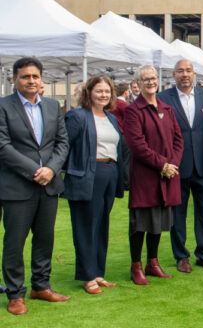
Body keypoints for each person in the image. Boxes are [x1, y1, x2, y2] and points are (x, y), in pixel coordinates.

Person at [0, 57, 70, 315]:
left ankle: (41, 286)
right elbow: (2, 146)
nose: (31, 80)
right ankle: (15, 293)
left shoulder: (53, 106)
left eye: (35, 76)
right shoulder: (3, 107)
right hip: (17, 187)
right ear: (14, 80)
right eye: (25, 76)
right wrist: (34, 171)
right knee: (15, 242)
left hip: (48, 185)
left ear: (41, 79)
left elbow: (62, 143)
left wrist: (51, 169)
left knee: (45, 239)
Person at [63, 75, 129, 294]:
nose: (104, 95)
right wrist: (73, 171)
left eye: (107, 91)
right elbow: (64, 147)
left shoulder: (110, 118)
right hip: (87, 176)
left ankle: (98, 272)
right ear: (89, 92)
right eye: (99, 91)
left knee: (101, 226)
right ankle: (87, 276)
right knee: (86, 227)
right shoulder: (77, 116)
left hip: (109, 174)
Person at [123, 65, 184, 285]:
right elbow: (137, 145)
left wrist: (173, 165)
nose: (151, 82)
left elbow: (178, 139)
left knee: (159, 221)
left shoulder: (167, 108)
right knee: (141, 223)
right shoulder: (133, 110)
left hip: (167, 175)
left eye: (154, 78)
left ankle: (153, 262)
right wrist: (162, 165)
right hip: (146, 176)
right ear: (137, 83)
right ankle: (136, 265)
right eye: (146, 79)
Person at [157, 60, 203, 273]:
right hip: (176, 166)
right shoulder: (163, 99)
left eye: (189, 71)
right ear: (173, 74)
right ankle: (181, 256)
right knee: (178, 214)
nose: (185, 74)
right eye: (181, 71)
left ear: (194, 74)